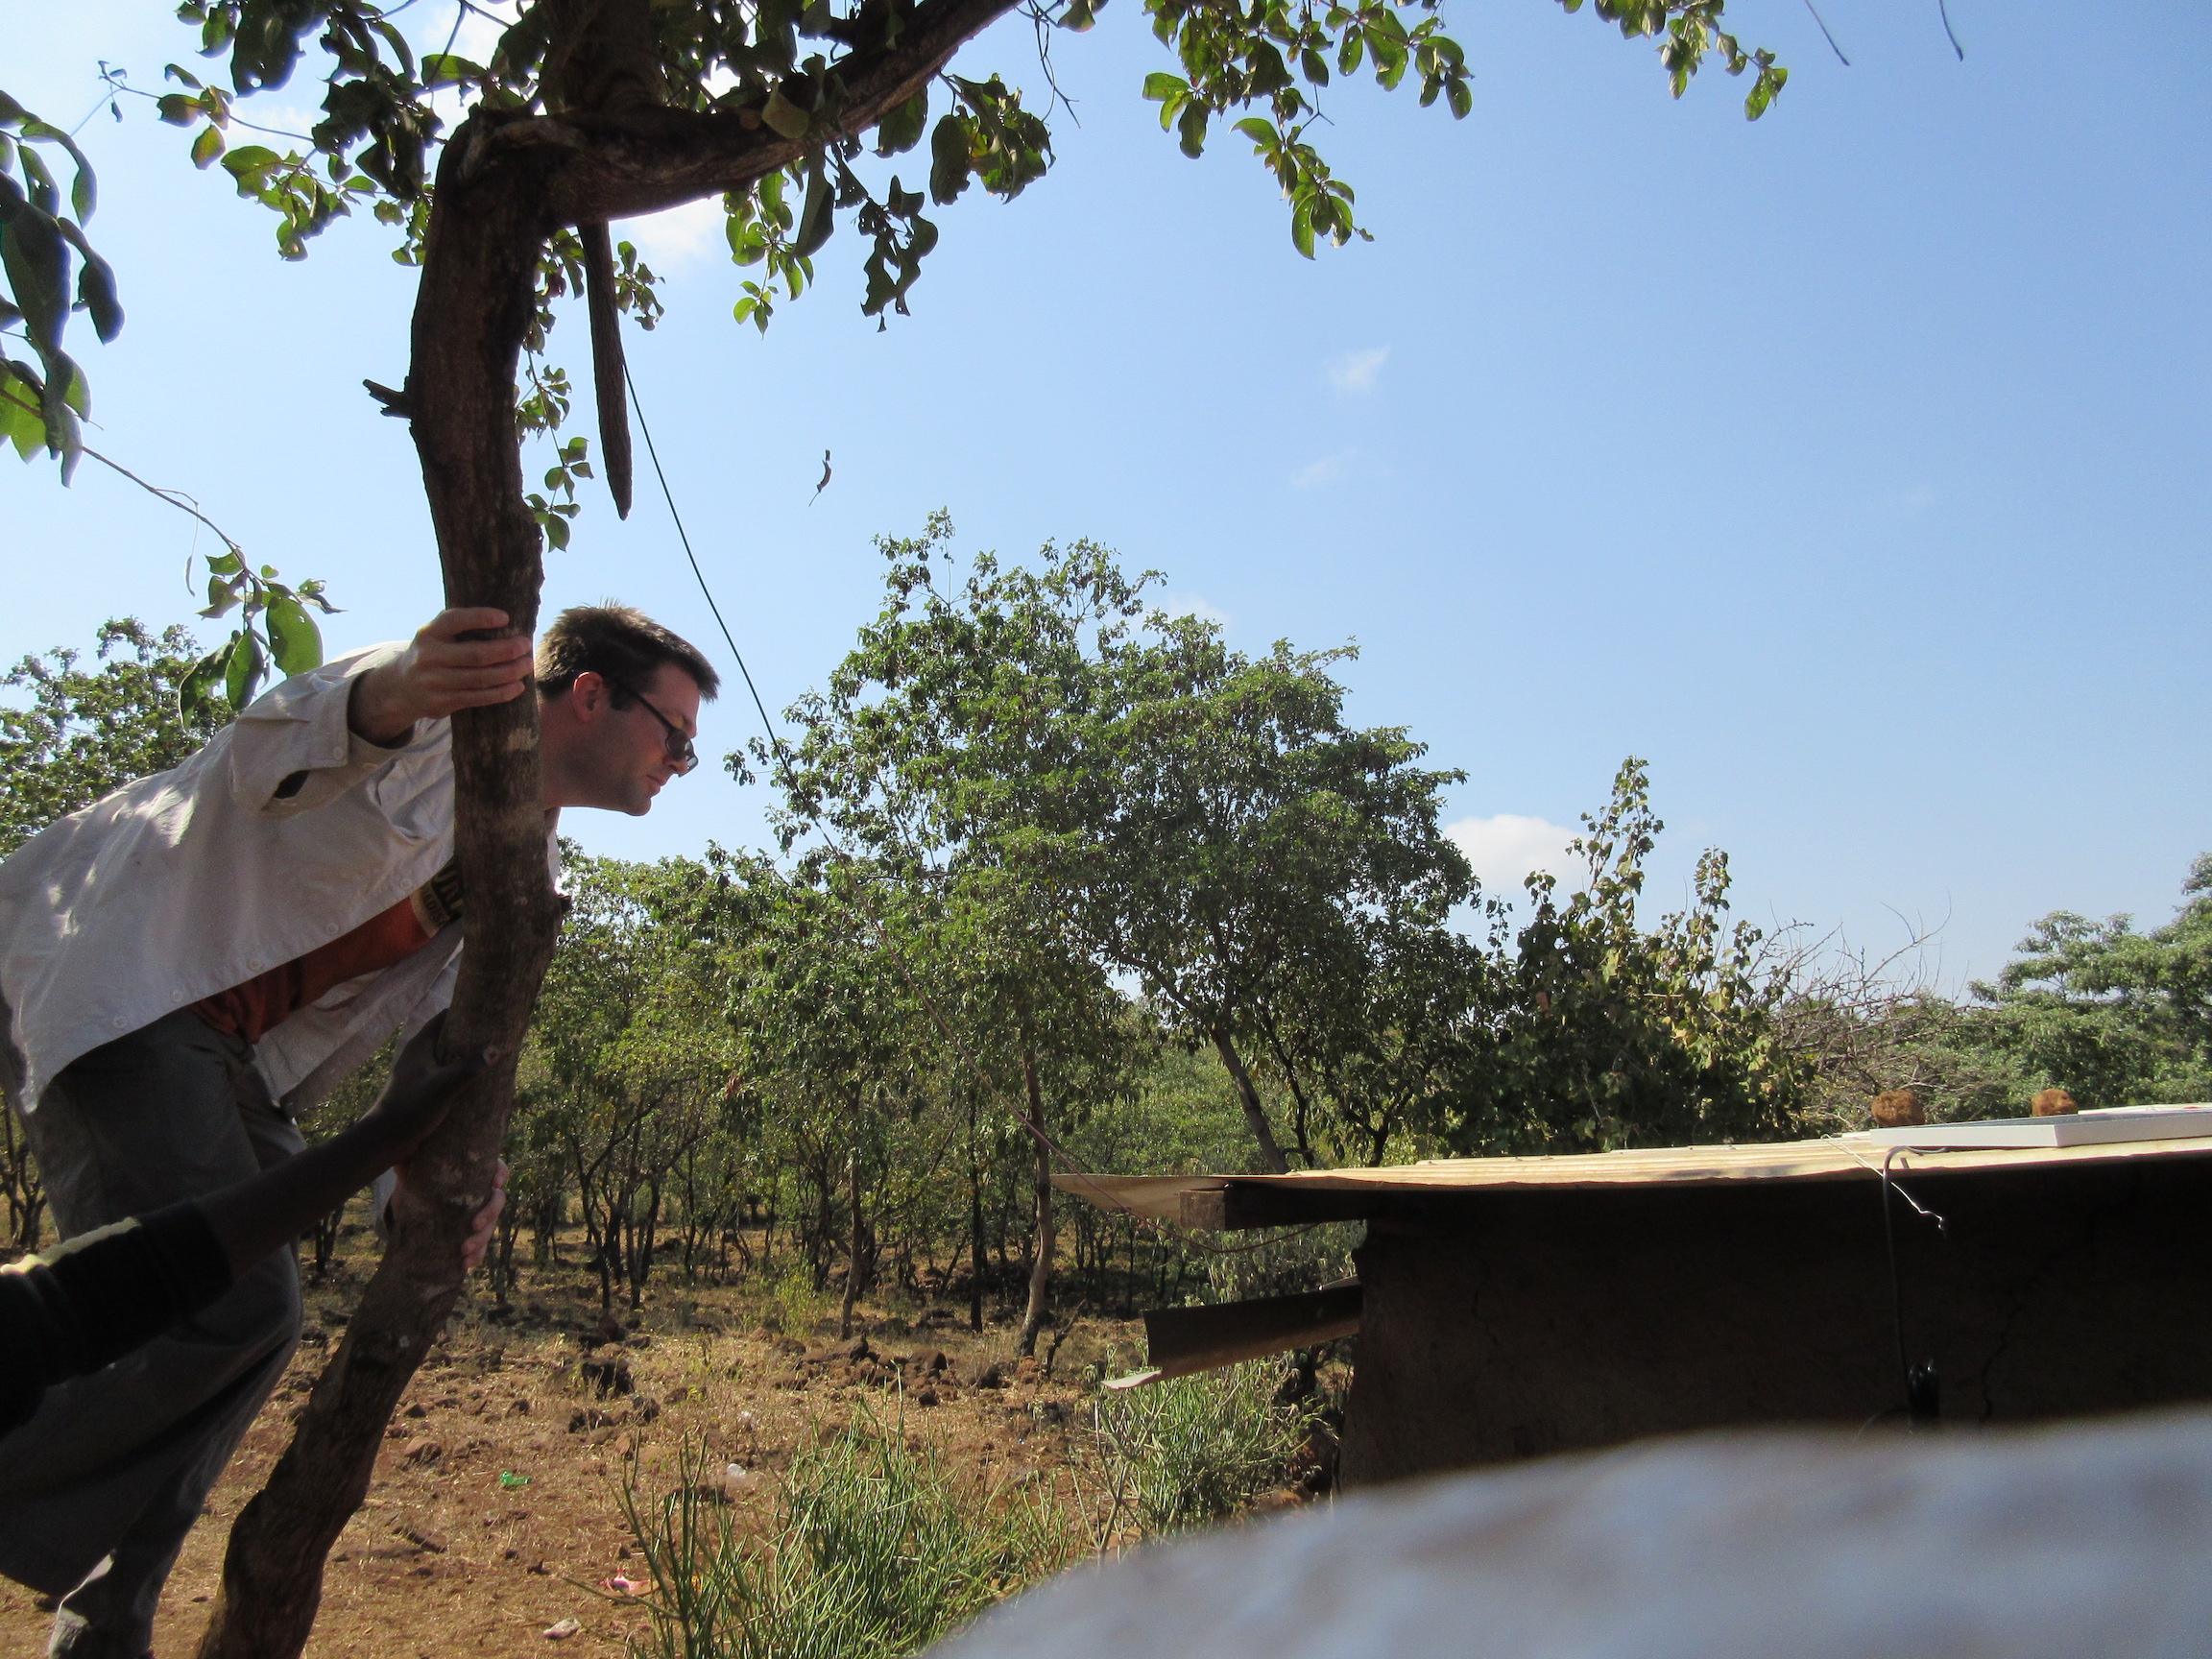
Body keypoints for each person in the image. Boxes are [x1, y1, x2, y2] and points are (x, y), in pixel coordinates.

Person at [0, 601, 718, 1658]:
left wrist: (428, 1201)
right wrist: (400, 686)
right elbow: (273, 748)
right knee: (232, 1304)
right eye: (676, 735)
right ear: (590, 695)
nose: (681, 763)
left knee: (254, 1325)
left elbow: (438, 1053)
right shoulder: (438, 719)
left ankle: (106, 1628)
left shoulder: (529, 882)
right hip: (127, 989)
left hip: (233, 1060)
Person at [0, 1017, 491, 1439]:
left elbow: (436, 1063)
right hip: (130, 993)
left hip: (228, 1039)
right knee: (244, 1311)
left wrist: (415, 1171)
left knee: (253, 1317)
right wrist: (384, 1139)